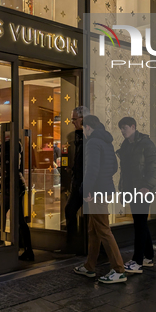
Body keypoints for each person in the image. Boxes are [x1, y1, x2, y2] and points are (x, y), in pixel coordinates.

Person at [74, 115, 126, 284]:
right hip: (105, 189)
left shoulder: (93, 143)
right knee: (94, 229)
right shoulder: (106, 141)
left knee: (103, 229)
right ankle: (90, 266)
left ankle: (119, 270)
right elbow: (114, 167)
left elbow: (91, 169)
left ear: (88, 127)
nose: (83, 132)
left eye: (83, 129)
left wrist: (86, 190)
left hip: (97, 192)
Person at [0, 125, 34, 261]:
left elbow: (11, 166)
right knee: (9, 218)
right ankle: (1, 243)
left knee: (0, 217)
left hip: (13, 186)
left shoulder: (13, 145)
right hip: (5, 185)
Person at [116, 117, 156, 273]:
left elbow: (154, 167)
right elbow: (124, 172)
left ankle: (137, 261)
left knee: (140, 224)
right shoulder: (126, 145)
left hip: (142, 191)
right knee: (140, 222)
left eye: (124, 127)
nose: (122, 131)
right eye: (120, 128)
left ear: (133, 127)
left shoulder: (146, 144)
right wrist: (122, 191)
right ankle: (148, 256)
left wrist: (147, 187)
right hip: (131, 190)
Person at [64, 106, 89, 253]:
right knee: (70, 210)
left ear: (83, 119)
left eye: (74, 119)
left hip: (86, 184)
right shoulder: (78, 136)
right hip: (79, 182)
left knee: (95, 220)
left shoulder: (91, 137)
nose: (72, 122)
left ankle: (91, 249)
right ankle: (73, 245)